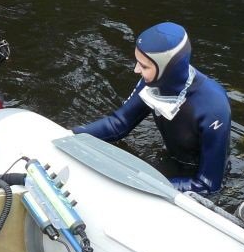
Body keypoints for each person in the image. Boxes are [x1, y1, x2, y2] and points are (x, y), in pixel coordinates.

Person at [72, 22, 231, 194]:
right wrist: (71, 135)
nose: (136, 70)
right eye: (138, 62)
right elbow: (118, 124)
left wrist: (142, 185)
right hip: (170, 161)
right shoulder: (153, 83)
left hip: (199, 179)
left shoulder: (214, 106)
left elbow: (208, 185)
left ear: (168, 68)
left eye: (145, 66)